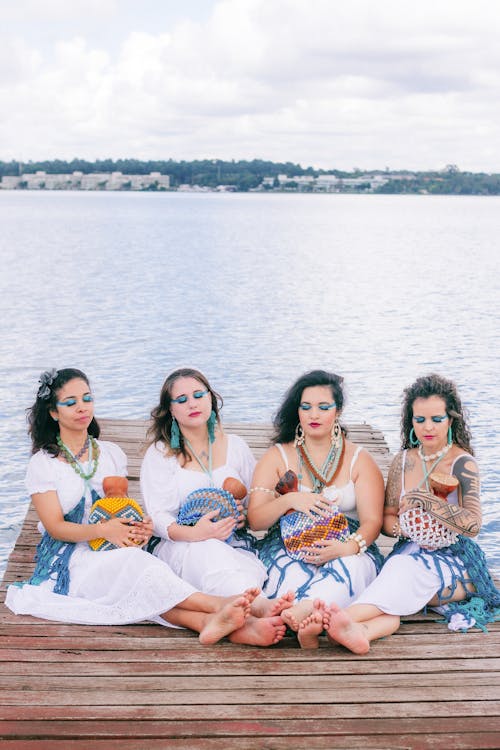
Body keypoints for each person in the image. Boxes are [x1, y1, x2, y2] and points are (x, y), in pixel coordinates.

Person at [5, 368, 286, 647]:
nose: (82, 408)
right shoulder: (43, 464)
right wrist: (106, 529)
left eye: (87, 399)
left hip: (114, 546)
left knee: (142, 579)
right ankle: (221, 606)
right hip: (70, 556)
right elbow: (54, 527)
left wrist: (142, 527)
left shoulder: (111, 454)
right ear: (53, 412)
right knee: (141, 570)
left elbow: (123, 509)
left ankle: (215, 622)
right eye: (70, 403)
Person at [321, 373, 500, 655]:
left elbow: (473, 525)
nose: (427, 427)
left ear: (450, 420)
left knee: (400, 574)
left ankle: (338, 619)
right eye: (419, 420)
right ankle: (360, 631)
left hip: (455, 557)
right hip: (409, 549)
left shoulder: (462, 463)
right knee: (394, 578)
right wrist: (409, 529)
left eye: (436, 419)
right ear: (411, 421)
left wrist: (426, 502)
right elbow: (388, 520)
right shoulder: (402, 461)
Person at [140, 367, 293, 640]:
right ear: (171, 410)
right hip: (181, 544)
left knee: (230, 561)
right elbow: (158, 517)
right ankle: (258, 607)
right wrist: (195, 533)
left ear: (211, 399)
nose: (192, 403)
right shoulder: (160, 454)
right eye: (182, 399)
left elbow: (256, 499)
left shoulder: (236, 446)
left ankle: (247, 626)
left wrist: (245, 514)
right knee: (207, 552)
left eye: (199, 395)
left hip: (235, 542)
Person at [247, 369, 385, 648]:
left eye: (324, 407)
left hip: (347, 542)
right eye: (306, 407)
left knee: (351, 568)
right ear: (296, 410)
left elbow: (372, 522)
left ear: (338, 410)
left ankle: (305, 613)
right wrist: (289, 501)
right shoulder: (278, 456)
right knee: (290, 574)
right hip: (288, 544)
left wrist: (347, 547)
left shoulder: (359, 459)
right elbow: (255, 520)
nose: (314, 415)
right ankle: (308, 619)